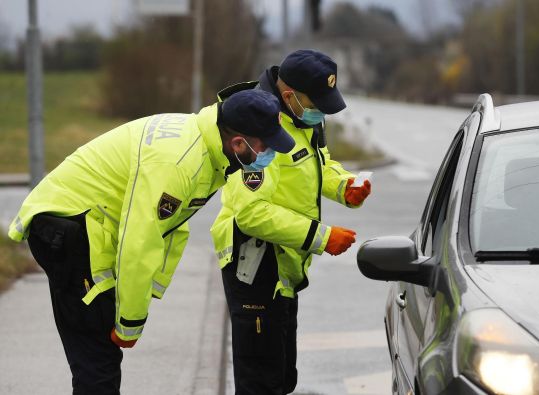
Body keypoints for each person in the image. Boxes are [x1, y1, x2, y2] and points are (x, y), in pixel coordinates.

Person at [6, 89, 295, 395]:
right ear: (239, 143)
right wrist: (130, 321)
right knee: (97, 357)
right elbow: (140, 240)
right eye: (268, 148)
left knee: (98, 357)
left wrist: (150, 291)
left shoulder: (206, 147)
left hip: (84, 224)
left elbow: (171, 227)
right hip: (69, 228)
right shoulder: (180, 163)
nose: (271, 155)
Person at [211, 49, 373, 394]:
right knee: (261, 381)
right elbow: (251, 213)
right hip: (254, 264)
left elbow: (317, 163)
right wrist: (322, 236)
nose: (321, 112)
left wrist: (345, 186)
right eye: (317, 104)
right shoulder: (257, 125)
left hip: (285, 262)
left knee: (282, 376)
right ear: (289, 96)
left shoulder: (304, 117)